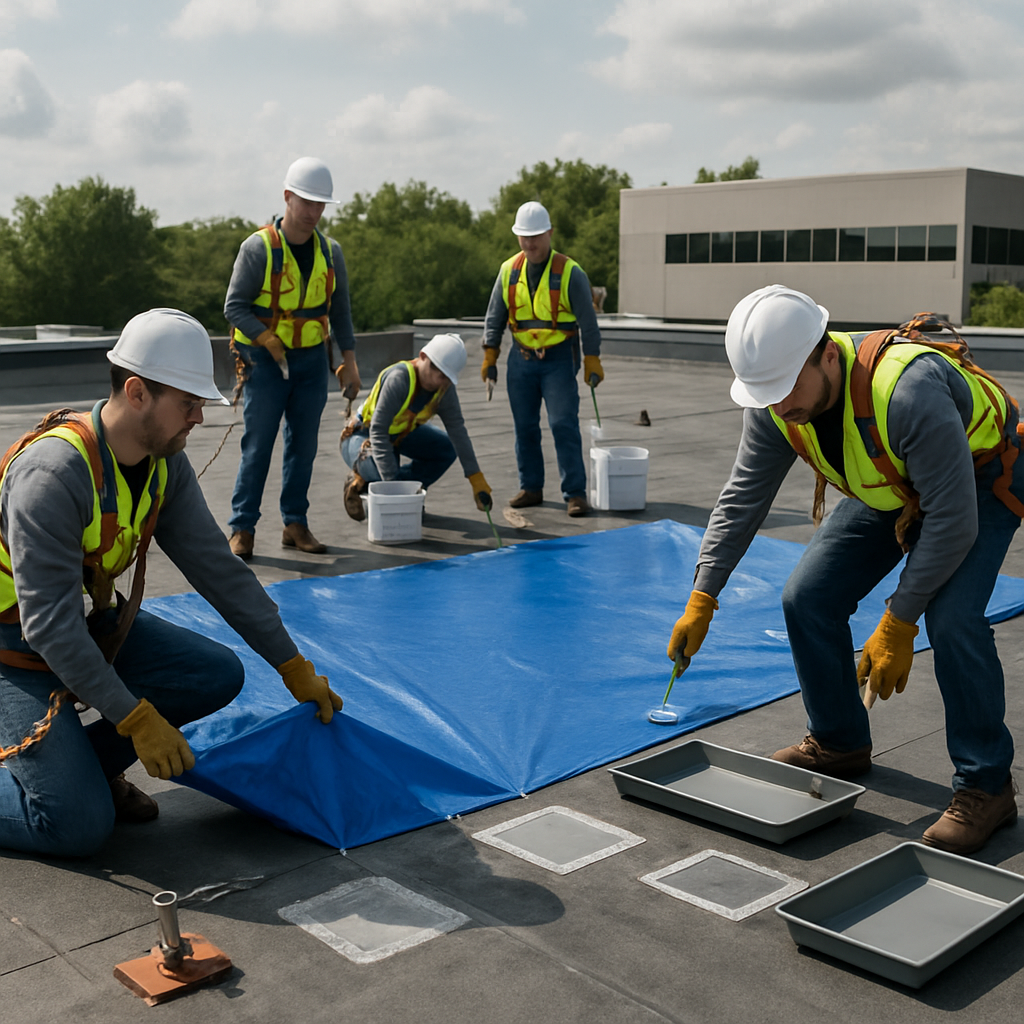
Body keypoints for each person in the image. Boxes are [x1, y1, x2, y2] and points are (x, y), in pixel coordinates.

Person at [667, 284, 1022, 855]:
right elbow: (742, 500)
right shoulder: (777, 406)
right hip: (892, 480)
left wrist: (900, 621)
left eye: (786, 388)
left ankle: (986, 786)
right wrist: (702, 596)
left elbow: (952, 522)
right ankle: (839, 742)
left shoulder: (906, 392)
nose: (780, 405)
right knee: (806, 597)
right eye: (766, 395)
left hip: (977, 478)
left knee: (951, 619)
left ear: (827, 354)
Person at [0, 309, 343, 858]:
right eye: (189, 404)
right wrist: (134, 719)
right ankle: (66, 789)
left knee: (212, 673)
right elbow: (49, 627)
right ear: (136, 392)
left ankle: (82, 771)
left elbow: (219, 570)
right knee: (77, 825)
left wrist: (292, 665)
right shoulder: (53, 474)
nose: (198, 420)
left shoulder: (163, 463)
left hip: (77, 631)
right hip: (12, 649)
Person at [224, 156, 361, 560]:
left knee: (302, 446)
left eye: (321, 205)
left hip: (310, 362)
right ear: (287, 198)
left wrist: (349, 362)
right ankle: (242, 528)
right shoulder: (258, 248)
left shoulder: (330, 252)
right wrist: (266, 338)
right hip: (264, 362)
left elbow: (341, 313)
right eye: (307, 202)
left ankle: (294, 524)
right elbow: (235, 307)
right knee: (259, 445)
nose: (314, 212)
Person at [481, 201, 603, 518]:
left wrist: (592, 358)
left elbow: (588, 323)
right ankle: (531, 487)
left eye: (536, 235)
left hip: (559, 358)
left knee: (563, 423)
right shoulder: (508, 271)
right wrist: (490, 355)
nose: (530, 243)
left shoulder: (570, 272)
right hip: (520, 360)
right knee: (525, 426)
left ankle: (574, 493)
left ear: (549, 233)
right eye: (524, 236)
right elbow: (494, 317)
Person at [341, 334, 491, 518]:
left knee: (446, 448)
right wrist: (394, 488)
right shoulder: (399, 380)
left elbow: (458, 431)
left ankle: (407, 492)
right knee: (382, 472)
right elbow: (378, 432)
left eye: (445, 377)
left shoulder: (444, 389)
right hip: (364, 436)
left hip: (401, 434)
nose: (438, 380)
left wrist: (475, 477)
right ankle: (359, 481)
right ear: (422, 356)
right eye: (436, 371)